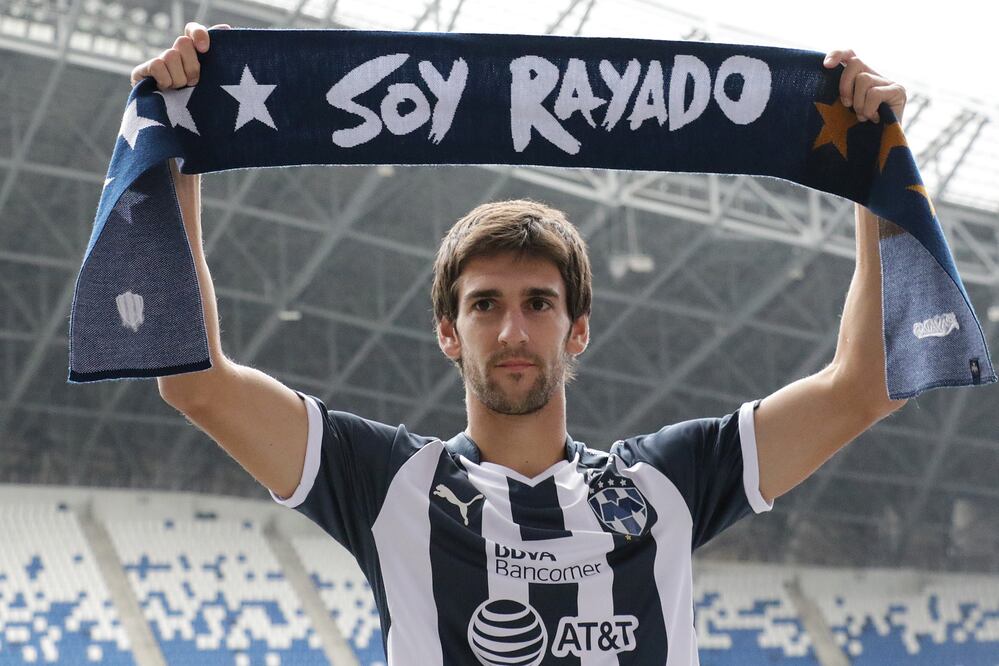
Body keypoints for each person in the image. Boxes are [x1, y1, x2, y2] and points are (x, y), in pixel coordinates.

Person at [143, 22, 909, 665]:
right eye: (484, 306)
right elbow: (195, 382)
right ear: (447, 331)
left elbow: (863, 388)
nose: (512, 330)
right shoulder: (386, 482)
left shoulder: (668, 482)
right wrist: (175, 152)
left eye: (538, 303)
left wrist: (875, 177)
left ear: (577, 327)